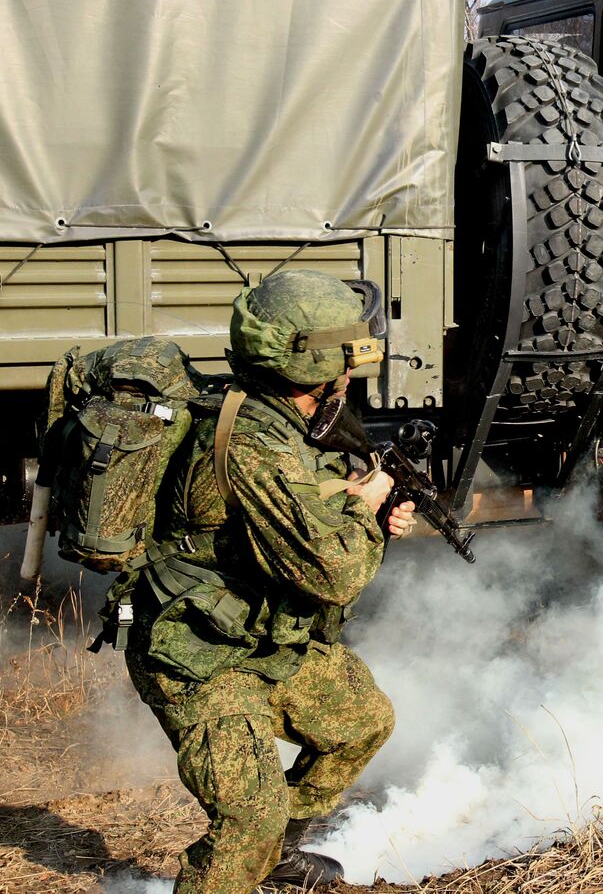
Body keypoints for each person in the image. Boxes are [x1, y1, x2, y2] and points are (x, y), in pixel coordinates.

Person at [106, 270, 416, 893]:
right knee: (249, 818)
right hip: (196, 654)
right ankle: (257, 847)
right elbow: (337, 574)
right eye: (346, 365)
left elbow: (297, 519)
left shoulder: (271, 419)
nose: (350, 380)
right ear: (321, 369)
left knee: (361, 722)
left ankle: (279, 850)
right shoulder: (254, 443)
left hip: (249, 630)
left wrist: (363, 507)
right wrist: (367, 511)